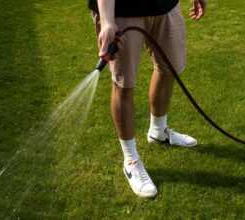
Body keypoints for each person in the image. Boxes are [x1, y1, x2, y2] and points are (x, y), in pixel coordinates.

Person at [88, 0, 207, 198]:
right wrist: (107, 21)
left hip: (165, 6)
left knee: (170, 69)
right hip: (121, 11)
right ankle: (131, 160)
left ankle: (158, 131)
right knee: (124, 84)